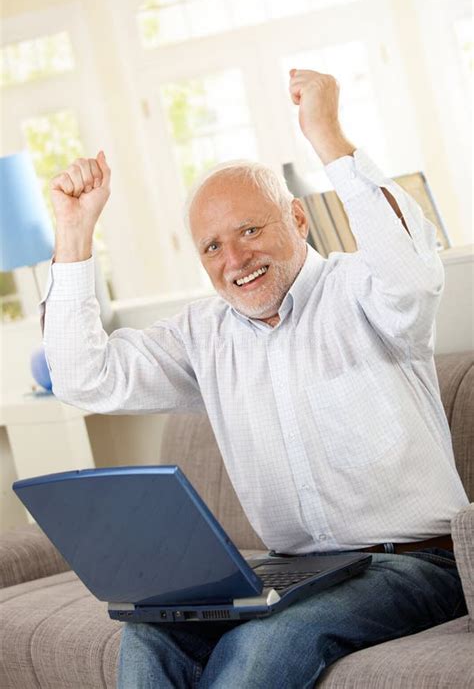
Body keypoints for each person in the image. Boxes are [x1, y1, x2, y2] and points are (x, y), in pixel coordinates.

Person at [44, 70, 468, 688]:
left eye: (250, 230)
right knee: (149, 634)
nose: (235, 260)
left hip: (416, 566)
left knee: (267, 641)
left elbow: (414, 273)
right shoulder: (203, 336)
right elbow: (84, 378)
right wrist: (75, 232)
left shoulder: (365, 291)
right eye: (212, 247)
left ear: (298, 218)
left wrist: (327, 136)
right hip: (291, 572)